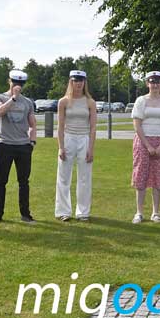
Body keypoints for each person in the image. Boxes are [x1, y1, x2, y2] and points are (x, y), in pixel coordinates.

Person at [0, 69, 38, 224]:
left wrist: (32, 142)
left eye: (21, 84)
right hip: (5, 144)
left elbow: (32, 124)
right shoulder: (0, 97)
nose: (18, 86)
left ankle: (25, 214)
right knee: (0, 182)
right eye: (15, 82)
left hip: (23, 146)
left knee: (24, 182)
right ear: (9, 81)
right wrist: (14, 98)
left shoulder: (28, 102)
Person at [130, 71, 160, 223]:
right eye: (152, 82)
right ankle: (139, 212)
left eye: (157, 82)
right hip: (143, 142)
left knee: (158, 176)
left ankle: (156, 212)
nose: (155, 85)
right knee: (141, 175)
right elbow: (137, 124)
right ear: (147, 83)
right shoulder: (141, 101)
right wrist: (148, 145)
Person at [55, 70, 97, 222]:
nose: (78, 83)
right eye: (75, 80)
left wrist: (91, 148)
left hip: (84, 139)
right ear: (71, 82)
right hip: (68, 139)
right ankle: (63, 211)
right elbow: (60, 126)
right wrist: (61, 146)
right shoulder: (63, 101)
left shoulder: (90, 102)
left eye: (81, 81)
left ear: (84, 82)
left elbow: (93, 128)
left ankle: (83, 212)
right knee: (64, 176)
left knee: (85, 177)